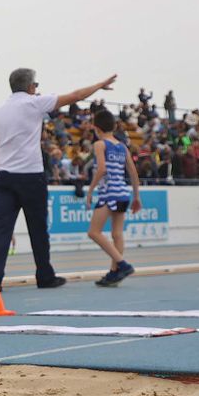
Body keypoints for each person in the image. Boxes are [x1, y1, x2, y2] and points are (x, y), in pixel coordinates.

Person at [0, 67, 117, 289]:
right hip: (30, 176)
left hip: (3, 177)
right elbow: (76, 96)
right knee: (38, 229)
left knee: (1, 229)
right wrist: (99, 85)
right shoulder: (34, 103)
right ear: (31, 87)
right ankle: (44, 275)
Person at [85, 109, 142, 286]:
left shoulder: (100, 145)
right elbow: (132, 171)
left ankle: (122, 264)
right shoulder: (121, 146)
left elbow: (101, 169)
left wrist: (90, 190)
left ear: (96, 128)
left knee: (94, 232)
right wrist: (136, 196)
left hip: (109, 193)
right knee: (117, 234)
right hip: (123, 193)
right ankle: (114, 273)